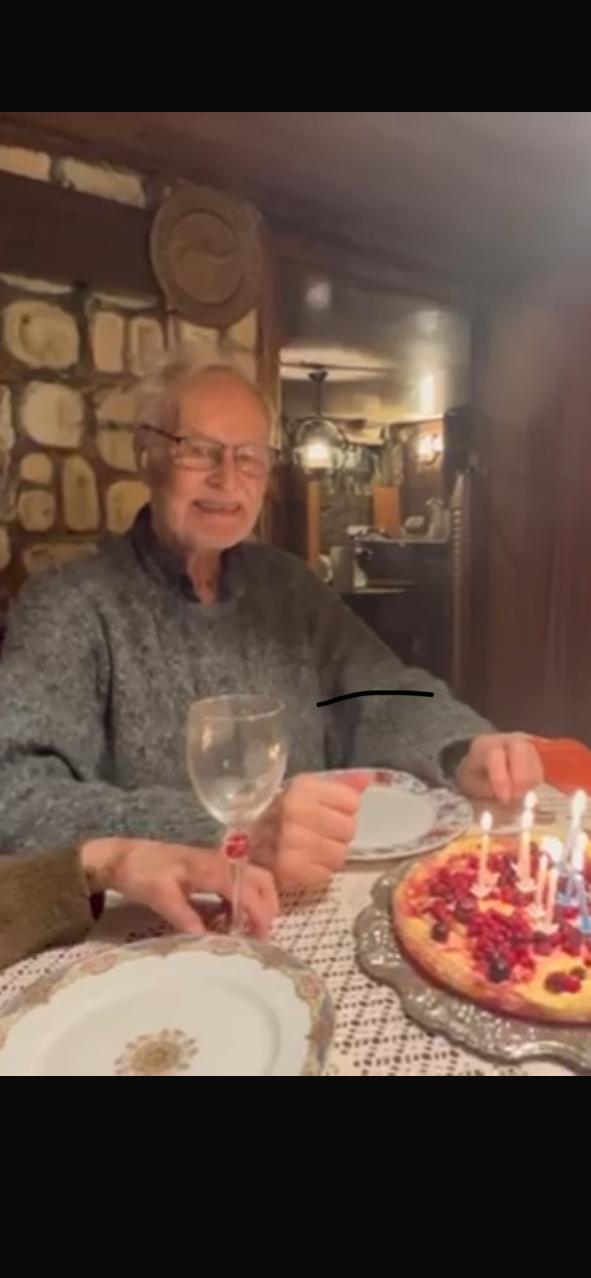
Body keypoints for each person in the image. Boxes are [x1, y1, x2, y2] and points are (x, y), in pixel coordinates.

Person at [0, 355, 543, 966]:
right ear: (146, 453)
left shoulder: (289, 584)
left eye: (250, 457)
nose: (226, 478)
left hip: (317, 915)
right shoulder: (69, 604)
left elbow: (379, 688)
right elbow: (15, 796)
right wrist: (228, 832)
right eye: (198, 450)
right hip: (160, 947)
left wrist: (463, 744)